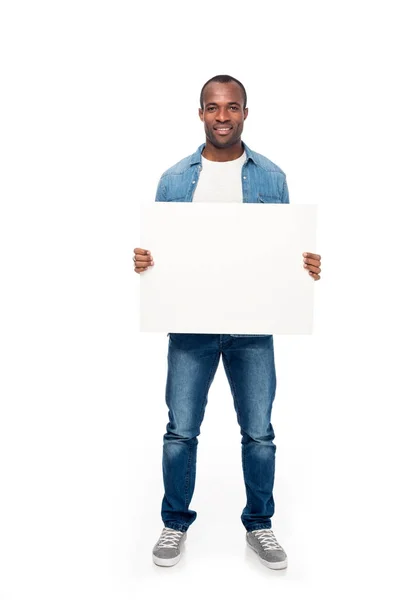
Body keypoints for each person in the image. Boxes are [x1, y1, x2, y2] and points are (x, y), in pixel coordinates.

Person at [133, 75, 322, 570]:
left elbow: (282, 250)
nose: (223, 117)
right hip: (190, 326)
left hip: (252, 329)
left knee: (259, 433)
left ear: (244, 113)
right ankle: (175, 522)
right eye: (213, 108)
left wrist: (304, 267)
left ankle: (259, 524)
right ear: (200, 114)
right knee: (181, 431)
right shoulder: (174, 179)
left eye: (232, 107)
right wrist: (146, 262)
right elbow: (164, 252)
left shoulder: (271, 177)